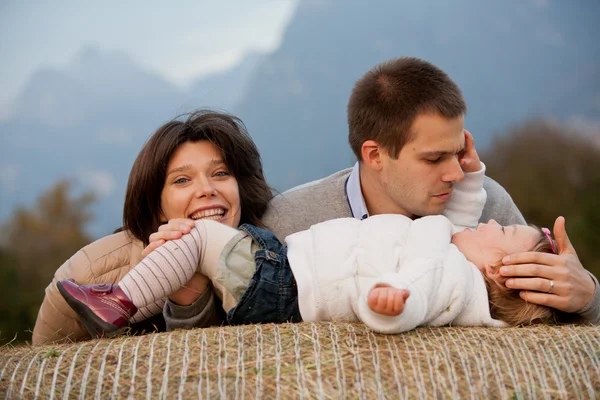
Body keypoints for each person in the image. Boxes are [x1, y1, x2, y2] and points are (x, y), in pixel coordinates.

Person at [147, 57, 599, 324]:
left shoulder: (491, 205)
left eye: (457, 151)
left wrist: (589, 299)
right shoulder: (291, 219)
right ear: (375, 154)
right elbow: (229, 323)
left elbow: (532, 316)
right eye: (433, 158)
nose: (456, 174)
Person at [57, 146, 570, 336]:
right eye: (183, 181)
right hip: (283, 269)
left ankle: (119, 301)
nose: (489, 222)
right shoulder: (454, 239)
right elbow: (465, 209)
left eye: (501, 232)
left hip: (285, 285)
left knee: (200, 237)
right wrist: (471, 170)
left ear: (496, 270)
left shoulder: (442, 266)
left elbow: (415, 286)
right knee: (203, 238)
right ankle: (123, 297)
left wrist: (391, 303)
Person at [31, 110, 272, 344]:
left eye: (221, 173)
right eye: (182, 180)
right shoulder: (87, 274)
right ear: (156, 206)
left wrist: (192, 304)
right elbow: (40, 372)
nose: (207, 189)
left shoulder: (273, 247)